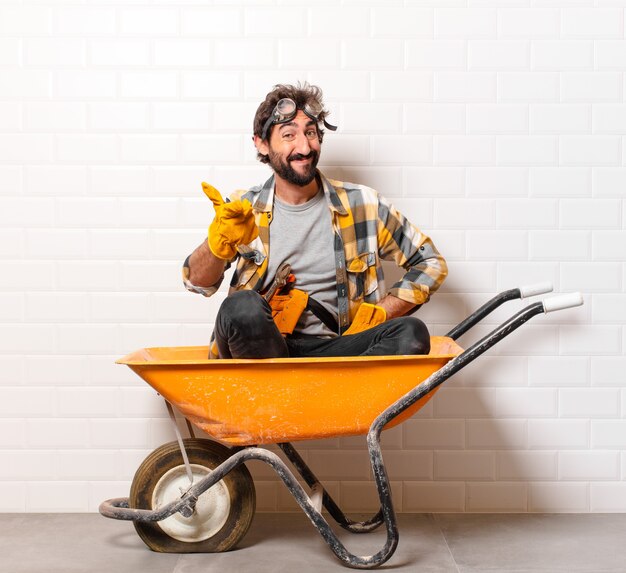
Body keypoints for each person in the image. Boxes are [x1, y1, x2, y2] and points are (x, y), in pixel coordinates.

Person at [182, 82, 447, 359]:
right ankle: (279, 394)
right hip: (266, 352)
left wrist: (382, 311)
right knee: (240, 308)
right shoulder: (242, 209)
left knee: (410, 331)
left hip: (336, 352)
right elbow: (198, 283)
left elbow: (430, 263)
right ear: (261, 144)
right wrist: (217, 244)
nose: (305, 146)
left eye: (310, 132)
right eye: (288, 135)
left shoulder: (363, 205)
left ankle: (329, 393)